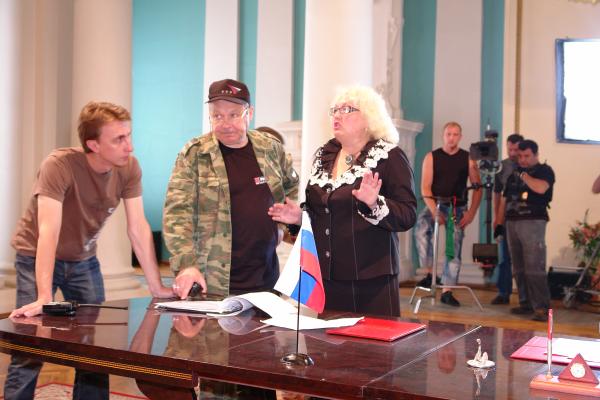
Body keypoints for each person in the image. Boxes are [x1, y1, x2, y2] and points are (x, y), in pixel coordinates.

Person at [6, 101, 173, 400]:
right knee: (30, 345)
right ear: (93, 145)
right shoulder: (59, 166)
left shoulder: (129, 168)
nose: (130, 146)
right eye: (119, 139)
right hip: (35, 255)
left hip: (83, 260)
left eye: (128, 135)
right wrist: (44, 297)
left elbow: (137, 227)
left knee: (94, 348)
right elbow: (48, 231)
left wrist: (156, 285)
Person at [269, 85, 416, 317]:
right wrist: (299, 217)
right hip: (327, 278)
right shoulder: (324, 156)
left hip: (372, 282)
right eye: (335, 110)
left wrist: (374, 203)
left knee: (371, 342)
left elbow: (408, 214)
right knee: (328, 340)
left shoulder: (389, 156)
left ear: (369, 118)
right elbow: (323, 212)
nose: (337, 115)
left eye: (347, 110)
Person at [163, 78, 299, 299]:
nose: (225, 124)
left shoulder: (271, 149)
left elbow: (291, 187)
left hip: (265, 278)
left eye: (234, 115)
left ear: (249, 113)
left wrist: (282, 228)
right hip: (212, 282)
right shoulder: (195, 154)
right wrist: (186, 265)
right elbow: (177, 214)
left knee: (265, 324)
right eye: (217, 116)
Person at [414, 122, 482, 307]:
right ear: (443, 135)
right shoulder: (431, 157)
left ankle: (447, 290)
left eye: (455, 134)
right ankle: (430, 273)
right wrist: (434, 210)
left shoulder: (468, 159)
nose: (451, 137)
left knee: (454, 247)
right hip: (435, 204)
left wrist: (471, 213)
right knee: (421, 230)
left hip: (457, 207)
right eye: (448, 134)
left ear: (460, 137)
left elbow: (478, 188)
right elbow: (425, 187)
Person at [496, 139, 554, 322]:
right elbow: (504, 200)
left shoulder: (545, 171)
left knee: (534, 266)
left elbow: (541, 188)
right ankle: (525, 303)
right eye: (520, 156)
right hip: (512, 222)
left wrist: (524, 175)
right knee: (518, 267)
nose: (522, 159)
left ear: (536, 155)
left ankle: (541, 308)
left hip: (533, 222)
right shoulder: (513, 174)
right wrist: (499, 223)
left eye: (527, 156)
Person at [490, 133, 524, 305]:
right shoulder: (501, 167)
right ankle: (503, 292)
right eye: (509, 149)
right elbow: (497, 194)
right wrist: (497, 218)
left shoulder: (527, 166)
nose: (512, 153)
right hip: (506, 217)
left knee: (522, 258)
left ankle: (525, 295)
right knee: (504, 258)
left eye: (516, 150)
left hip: (524, 218)